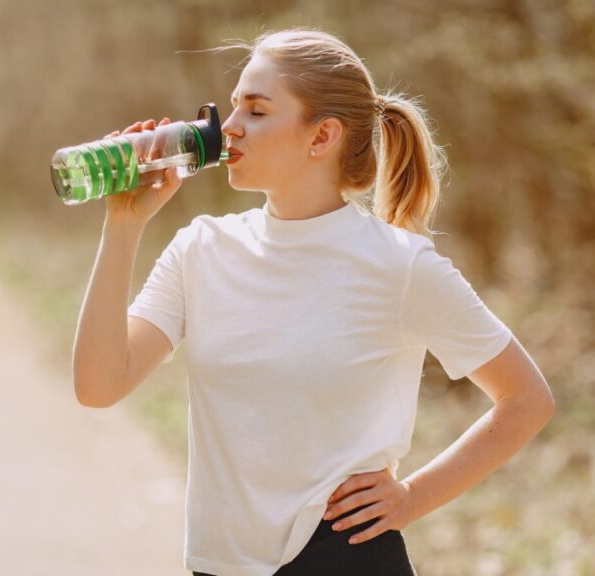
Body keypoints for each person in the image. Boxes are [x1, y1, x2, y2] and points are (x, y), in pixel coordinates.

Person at [72, 27, 555, 576]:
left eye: (256, 111)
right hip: (219, 565)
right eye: (233, 107)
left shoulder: (398, 265)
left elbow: (525, 399)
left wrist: (413, 497)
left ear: (321, 136)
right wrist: (123, 225)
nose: (228, 127)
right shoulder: (200, 249)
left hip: (344, 560)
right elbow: (99, 385)